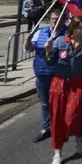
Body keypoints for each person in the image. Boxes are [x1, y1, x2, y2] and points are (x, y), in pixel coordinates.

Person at [44, 15, 82, 164]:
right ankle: (57, 154)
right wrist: (48, 51)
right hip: (60, 83)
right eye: (78, 27)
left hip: (79, 83)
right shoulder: (60, 41)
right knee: (57, 118)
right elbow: (50, 62)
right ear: (72, 28)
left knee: (74, 114)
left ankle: (79, 136)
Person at [25, 10, 65, 143]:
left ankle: (60, 125)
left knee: (59, 102)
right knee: (44, 103)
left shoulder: (68, 34)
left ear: (64, 19)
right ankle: (46, 127)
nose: (55, 21)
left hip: (59, 73)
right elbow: (29, 48)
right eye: (53, 19)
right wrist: (27, 41)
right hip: (41, 73)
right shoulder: (40, 32)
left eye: (58, 19)